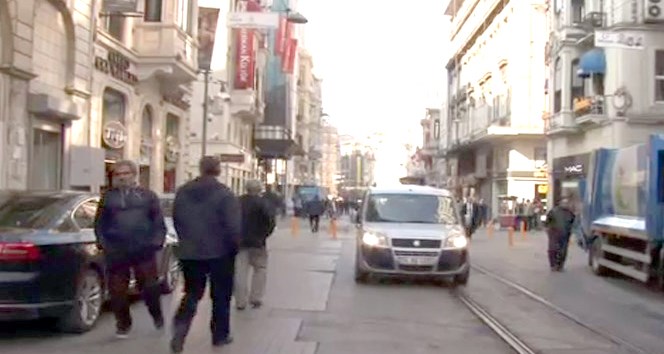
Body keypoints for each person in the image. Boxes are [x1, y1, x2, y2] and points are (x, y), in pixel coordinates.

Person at [170, 156, 241, 353]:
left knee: (192, 292)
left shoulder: (183, 191)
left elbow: (177, 219)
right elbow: (233, 226)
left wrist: (186, 241)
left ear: (200, 169)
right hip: (220, 253)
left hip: (190, 251)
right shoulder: (224, 194)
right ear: (217, 170)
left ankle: (181, 329)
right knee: (221, 296)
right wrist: (234, 247)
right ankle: (220, 336)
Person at [94, 160, 166, 339]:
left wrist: (156, 242)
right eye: (118, 174)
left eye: (126, 173)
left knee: (150, 287)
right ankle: (123, 324)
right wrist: (104, 243)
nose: (122, 177)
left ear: (134, 175)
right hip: (117, 250)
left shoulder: (148, 196)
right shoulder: (108, 197)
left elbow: (158, 222)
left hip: (143, 249)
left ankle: (157, 315)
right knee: (117, 291)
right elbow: (99, 223)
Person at [234, 180, 276, 310]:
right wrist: (264, 235)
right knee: (260, 269)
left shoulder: (237, 202)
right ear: (259, 190)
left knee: (240, 272)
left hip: (240, 242)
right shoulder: (264, 203)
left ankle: (240, 301)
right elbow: (270, 222)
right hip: (258, 243)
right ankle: (256, 298)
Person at [544, 197, 576, 272]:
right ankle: (553, 265)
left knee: (563, 250)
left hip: (565, 233)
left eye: (566, 203)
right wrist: (547, 229)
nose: (565, 204)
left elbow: (573, 222)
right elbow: (547, 221)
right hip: (554, 232)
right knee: (553, 249)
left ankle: (560, 265)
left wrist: (572, 231)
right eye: (564, 202)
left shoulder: (569, 213)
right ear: (560, 203)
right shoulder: (554, 211)